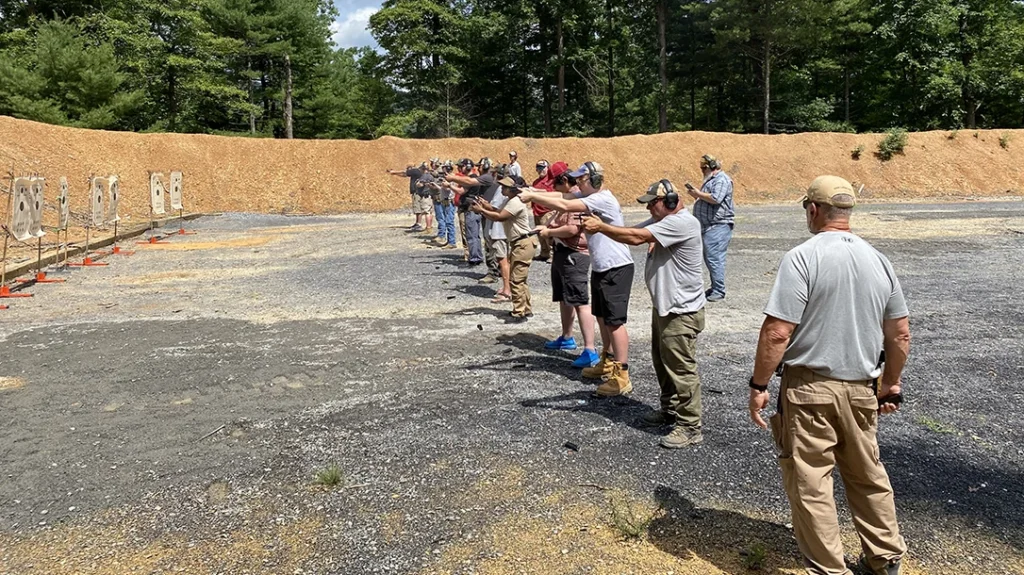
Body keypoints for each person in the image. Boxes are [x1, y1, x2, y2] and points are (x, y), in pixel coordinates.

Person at [748, 176, 909, 575]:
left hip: (808, 388)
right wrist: (891, 383)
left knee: (811, 482)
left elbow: (777, 331)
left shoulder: (803, 257)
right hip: (861, 387)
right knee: (867, 474)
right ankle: (885, 558)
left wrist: (759, 384)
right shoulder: (879, 260)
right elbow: (900, 332)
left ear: (813, 210)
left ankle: (827, 569)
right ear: (848, 212)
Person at [581, 180, 706, 448]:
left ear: (671, 202)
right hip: (666, 307)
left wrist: (600, 227)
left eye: (653, 202)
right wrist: (601, 226)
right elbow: (629, 232)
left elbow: (636, 237)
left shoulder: (682, 222)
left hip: (681, 311)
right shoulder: (665, 222)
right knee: (663, 363)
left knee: (681, 369)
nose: (649, 207)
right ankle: (670, 410)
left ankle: (690, 425)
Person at [521, 161, 634, 397]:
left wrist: (532, 195)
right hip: (603, 265)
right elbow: (560, 194)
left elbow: (563, 202)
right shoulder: (591, 195)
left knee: (614, 322)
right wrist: (533, 192)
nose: (577, 184)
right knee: (602, 317)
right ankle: (607, 359)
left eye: (581, 180)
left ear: (593, 180)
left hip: (616, 265)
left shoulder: (601, 199)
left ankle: (622, 374)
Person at [535, 161, 599, 368]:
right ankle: (567, 336)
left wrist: (549, 232)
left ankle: (590, 349)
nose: (553, 187)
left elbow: (572, 229)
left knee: (580, 301)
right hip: (563, 252)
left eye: (555, 183)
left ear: (563, 180)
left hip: (575, 255)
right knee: (564, 298)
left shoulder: (579, 200)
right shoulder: (569, 198)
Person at [473, 176, 536, 321]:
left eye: (505, 187)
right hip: (520, 243)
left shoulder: (515, 202)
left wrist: (481, 210)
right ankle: (525, 309)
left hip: (522, 243)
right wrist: (485, 205)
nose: (502, 188)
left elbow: (500, 217)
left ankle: (519, 312)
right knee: (520, 278)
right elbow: (496, 210)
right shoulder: (511, 200)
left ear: (513, 189)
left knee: (516, 279)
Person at [685, 154, 734, 302]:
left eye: (703, 168)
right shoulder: (712, 180)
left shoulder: (721, 180)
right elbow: (708, 198)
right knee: (710, 258)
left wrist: (698, 194)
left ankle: (719, 290)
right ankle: (715, 287)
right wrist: (697, 196)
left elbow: (716, 198)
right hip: (709, 225)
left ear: (710, 167)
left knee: (714, 258)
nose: (701, 171)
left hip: (718, 225)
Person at [446, 159, 485, 265]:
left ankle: (474, 258)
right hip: (471, 209)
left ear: (467, 167)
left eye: (461, 166)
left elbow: (461, 191)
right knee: (475, 235)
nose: (460, 168)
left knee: (471, 235)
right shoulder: (473, 178)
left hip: (470, 209)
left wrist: (449, 185)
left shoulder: (471, 179)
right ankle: (476, 256)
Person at [387, 161, 431, 231]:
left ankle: (418, 224)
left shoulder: (415, 171)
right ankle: (418, 223)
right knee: (418, 208)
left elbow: (404, 172)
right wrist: (395, 174)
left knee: (417, 209)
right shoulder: (417, 172)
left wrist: (393, 172)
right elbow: (404, 175)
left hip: (417, 192)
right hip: (418, 192)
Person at [531, 160, 558, 262]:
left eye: (542, 168)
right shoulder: (536, 182)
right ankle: (544, 253)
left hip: (547, 211)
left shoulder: (551, 181)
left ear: (548, 168)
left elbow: (550, 192)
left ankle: (552, 254)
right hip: (537, 211)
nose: (540, 170)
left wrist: (534, 191)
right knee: (540, 235)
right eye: (538, 168)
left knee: (548, 235)